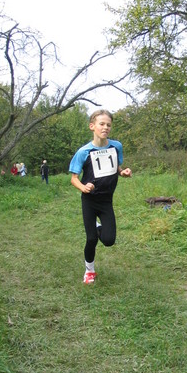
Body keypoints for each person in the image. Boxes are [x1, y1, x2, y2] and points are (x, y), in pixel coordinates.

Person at [69, 109, 132, 284]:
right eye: (101, 124)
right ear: (92, 126)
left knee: (109, 240)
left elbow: (116, 168)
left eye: (108, 125)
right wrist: (83, 187)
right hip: (90, 200)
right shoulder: (83, 152)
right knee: (91, 239)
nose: (105, 127)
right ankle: (89, 271)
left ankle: (98, 227)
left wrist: (123, 172)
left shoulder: (116, 146)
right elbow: (74, 178)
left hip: (106, 201)